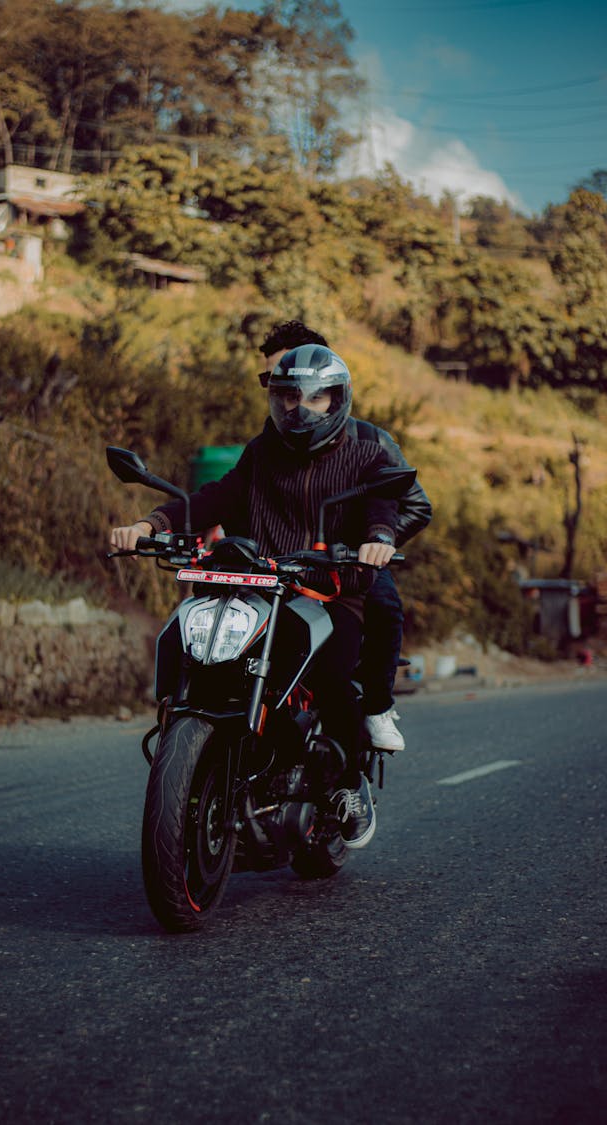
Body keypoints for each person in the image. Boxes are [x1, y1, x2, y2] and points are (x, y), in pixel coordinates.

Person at [111, 344, 403, 849]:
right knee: (202, 651)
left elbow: (382, 504)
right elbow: (215, 497)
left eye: (314, 399)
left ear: (337, 401)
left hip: (328, 591)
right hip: (261, 587)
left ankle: (350, 786)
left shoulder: (366, 452)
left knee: (331, 675)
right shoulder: (262, 451)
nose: (299, 409)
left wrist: (377, 540)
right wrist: (149, 523)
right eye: (289, 397)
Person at [259, 321, 432, 752]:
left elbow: (412, 505)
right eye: (273, 380)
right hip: (289, 569)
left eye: (301, 379)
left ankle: (376, 708)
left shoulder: (371, 443)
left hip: (351, 565)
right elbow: (243, 499)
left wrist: (372, 545)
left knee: (385, 603)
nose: (288, 389)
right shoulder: (269, 442)